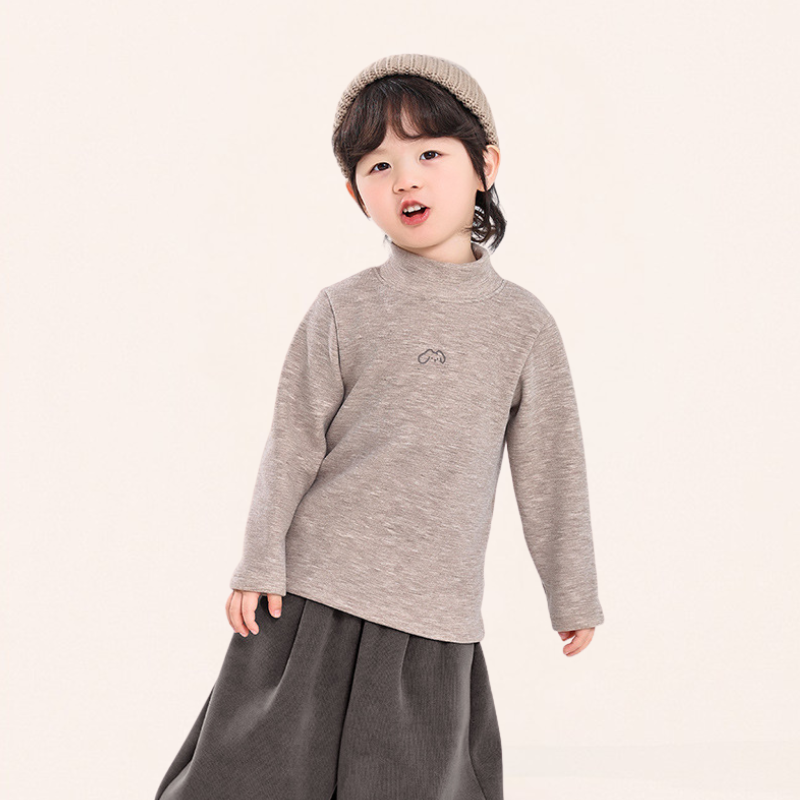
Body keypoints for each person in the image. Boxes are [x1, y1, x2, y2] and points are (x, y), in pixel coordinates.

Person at [154, 53, 605, 800]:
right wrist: (259, 560)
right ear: (354, 192)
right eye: (379, 165)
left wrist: (572, 592)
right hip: (308, 600)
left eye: (430, 154)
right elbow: (292, 443)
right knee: (250, 778)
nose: (405, 180)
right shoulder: (344, 309)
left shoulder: (522, 326)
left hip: (432, 613)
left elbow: (551, 469)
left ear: (485, 165)